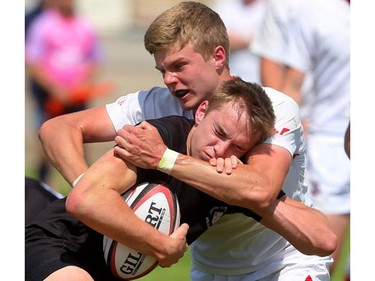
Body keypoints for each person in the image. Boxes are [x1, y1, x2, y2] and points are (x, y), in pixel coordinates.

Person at [38, 2, 335, 280]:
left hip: (282, 264)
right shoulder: (159, 103)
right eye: (162, 70)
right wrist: (90, 190)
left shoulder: (270, 108)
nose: (168, 79)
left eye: (179, 66)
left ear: (218, 57)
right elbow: (58, 129)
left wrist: (163, 158)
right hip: (212, 268)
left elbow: (260, 189)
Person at [27, 77, 283, 280]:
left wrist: (252, 183)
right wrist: (161, 245)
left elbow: (321, 239)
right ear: (202, 112)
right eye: (219, 132)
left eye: (237, 147)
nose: (221, 149)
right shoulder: (157, 138)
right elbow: (83, 200)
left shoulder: (227, 178)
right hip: (59, 245)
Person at [251, 0, 350, 278]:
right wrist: (283, 129)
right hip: (329, 148)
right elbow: (289, 85)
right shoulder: (316, 12)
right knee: (324, 257)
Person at [25, 0, 103, 183]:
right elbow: (33, 61)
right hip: (49, 96)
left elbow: (95, 60)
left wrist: (80, 85)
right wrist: (55, 88)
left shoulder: (84, 25)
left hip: (77, 95)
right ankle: (43, 185)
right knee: (46, 140)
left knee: (82, 141)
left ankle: (87, 186)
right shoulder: (43, 24)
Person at [211, 0, 266, 83]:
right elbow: (216, 39)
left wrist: (236, 39)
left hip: (258, 79)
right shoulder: (226, 5)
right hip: (230, 78)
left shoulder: (269, 8)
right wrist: (248, 40)